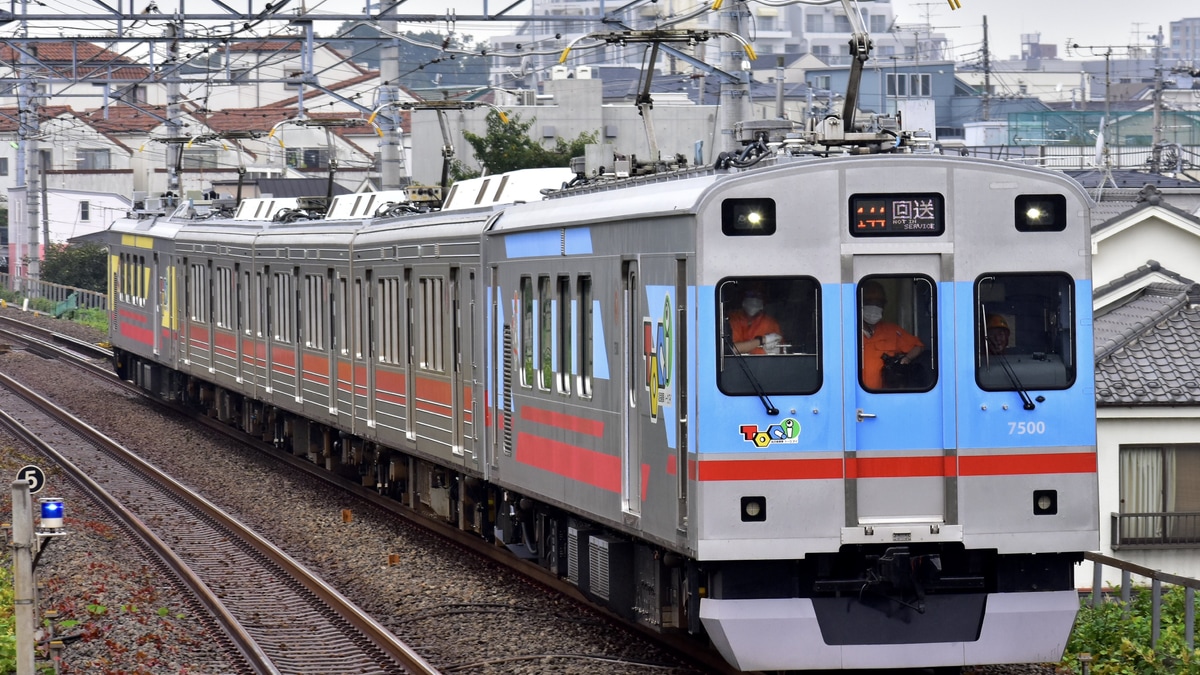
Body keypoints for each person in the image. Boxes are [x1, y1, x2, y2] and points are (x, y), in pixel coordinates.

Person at [859, 280, 924, 390]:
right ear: (860, 303)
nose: (874, 307)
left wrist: (907, 358)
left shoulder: (892, 331)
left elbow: (918, 346)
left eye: (878, 303)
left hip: (884, 398)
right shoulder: (847, 331)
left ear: (884, 305)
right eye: (869, 302)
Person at [727, 287, 783, 355]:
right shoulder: (733, 319)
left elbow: (781, 349)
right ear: (743, 301)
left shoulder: (770, 323)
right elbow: (732, 349)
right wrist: (762, 340)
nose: (754, 299)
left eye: (758, 296)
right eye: (750, 295)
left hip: (760, 363)